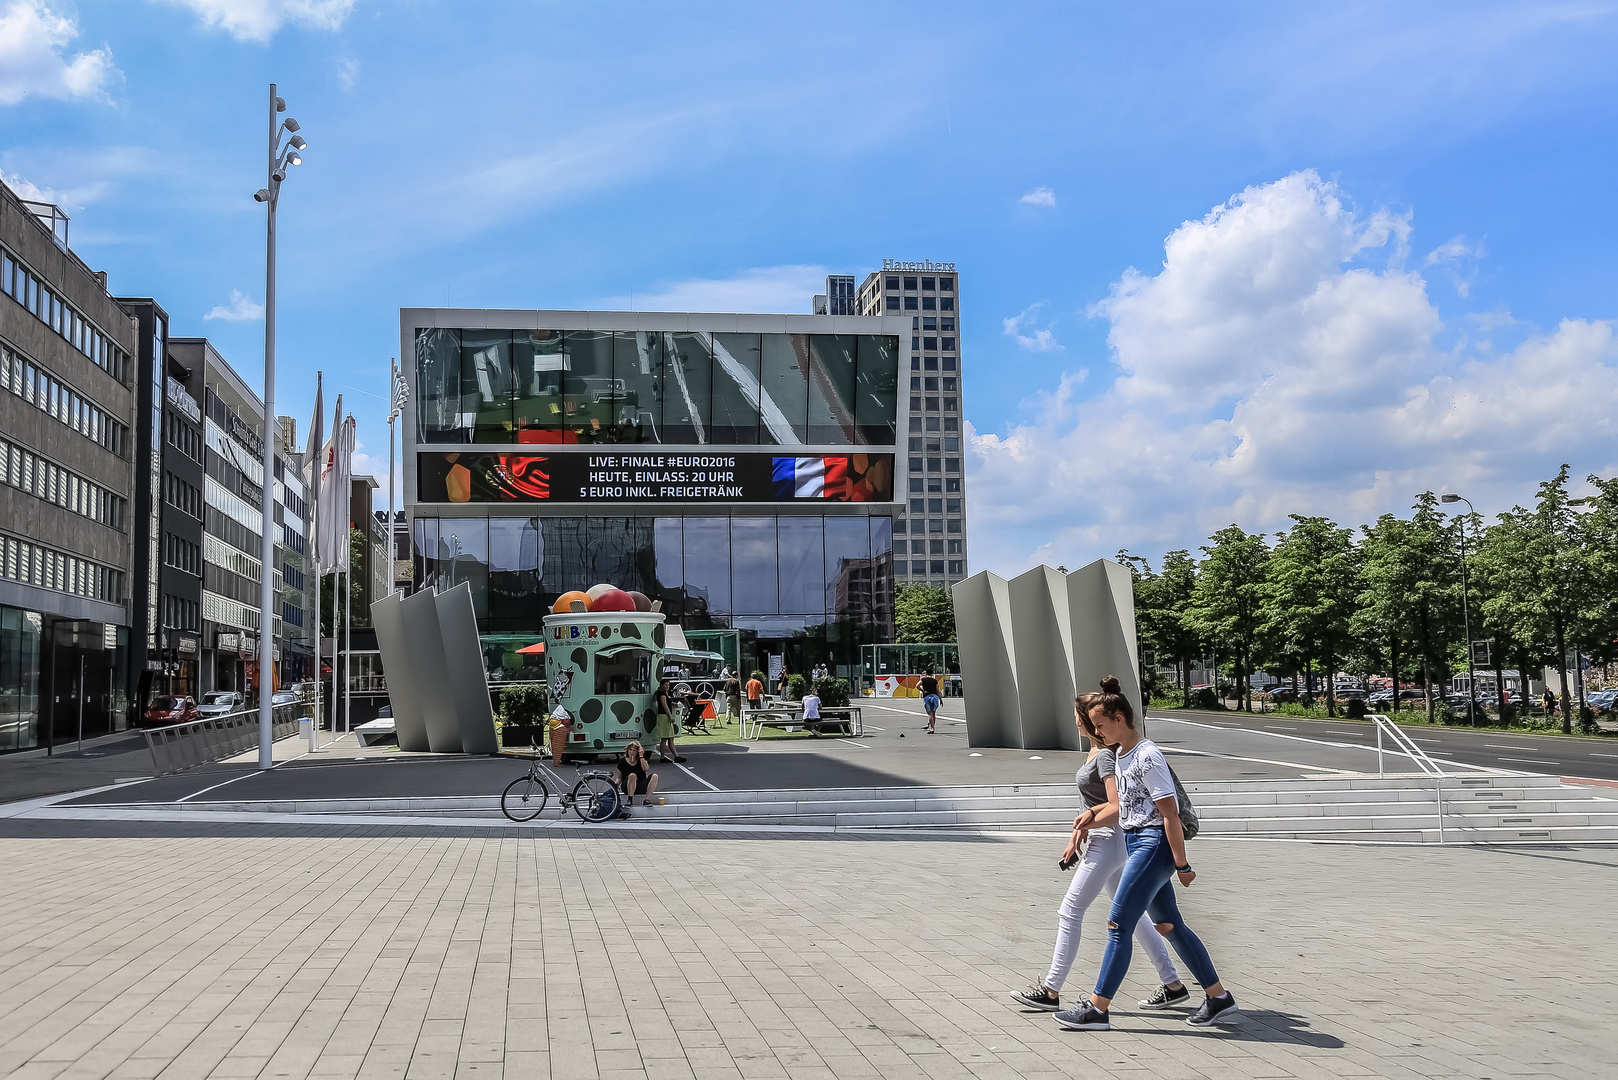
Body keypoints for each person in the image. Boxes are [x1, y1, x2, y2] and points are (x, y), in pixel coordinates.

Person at [1053, 677, 1237, 1032]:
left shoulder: (1148, 756)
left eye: (1101, 725)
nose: (1097, 731)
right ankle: (1218, 997)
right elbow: (1121, 807)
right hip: (1139, 842)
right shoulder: (1121, 755)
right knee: (1168, 925)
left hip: (1154, 844)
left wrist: (1182, 864)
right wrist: (1088, 820)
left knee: (1117, 925)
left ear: (1120, 719)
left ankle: (1097, 1009)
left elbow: (1169, 815)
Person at [1009, 693, 1186, 1014]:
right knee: (1134, 917)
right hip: (1103, 840)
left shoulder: (1104, 756)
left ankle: (1051, 991)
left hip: (1109, 840)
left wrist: (1085, 825)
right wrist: (1078, 835)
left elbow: (1115, 807)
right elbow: (1093, 805)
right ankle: (1173, 984)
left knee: (1070, 911)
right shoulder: (1094, 752)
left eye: (1080, 717)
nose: (1077, 721)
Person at [615, 741, 658, 813]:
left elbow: (645, 768)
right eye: (630, 750)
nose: (631, 752)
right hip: (627, 786)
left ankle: (647, 800)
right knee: (632, 775)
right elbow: (619, 777)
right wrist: (614, 787)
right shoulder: (622, 761)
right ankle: (630, 799)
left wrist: (641, 756)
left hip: (640, 785)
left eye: (634, 750)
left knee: (655, 776)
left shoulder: (642, 759)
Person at [652, 678, 686, 763]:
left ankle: (675, 756)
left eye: (668, 685)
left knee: (670, 737)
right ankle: (663, 757)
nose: (667, 686)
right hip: (664, 716)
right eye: (666, 685)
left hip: (664, 716)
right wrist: (670, 716)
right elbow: (664, 705)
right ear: (662, 685)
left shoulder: (663, 693)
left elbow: (666, 703)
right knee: (664, 738)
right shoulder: (662, 693)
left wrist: (673, 704)